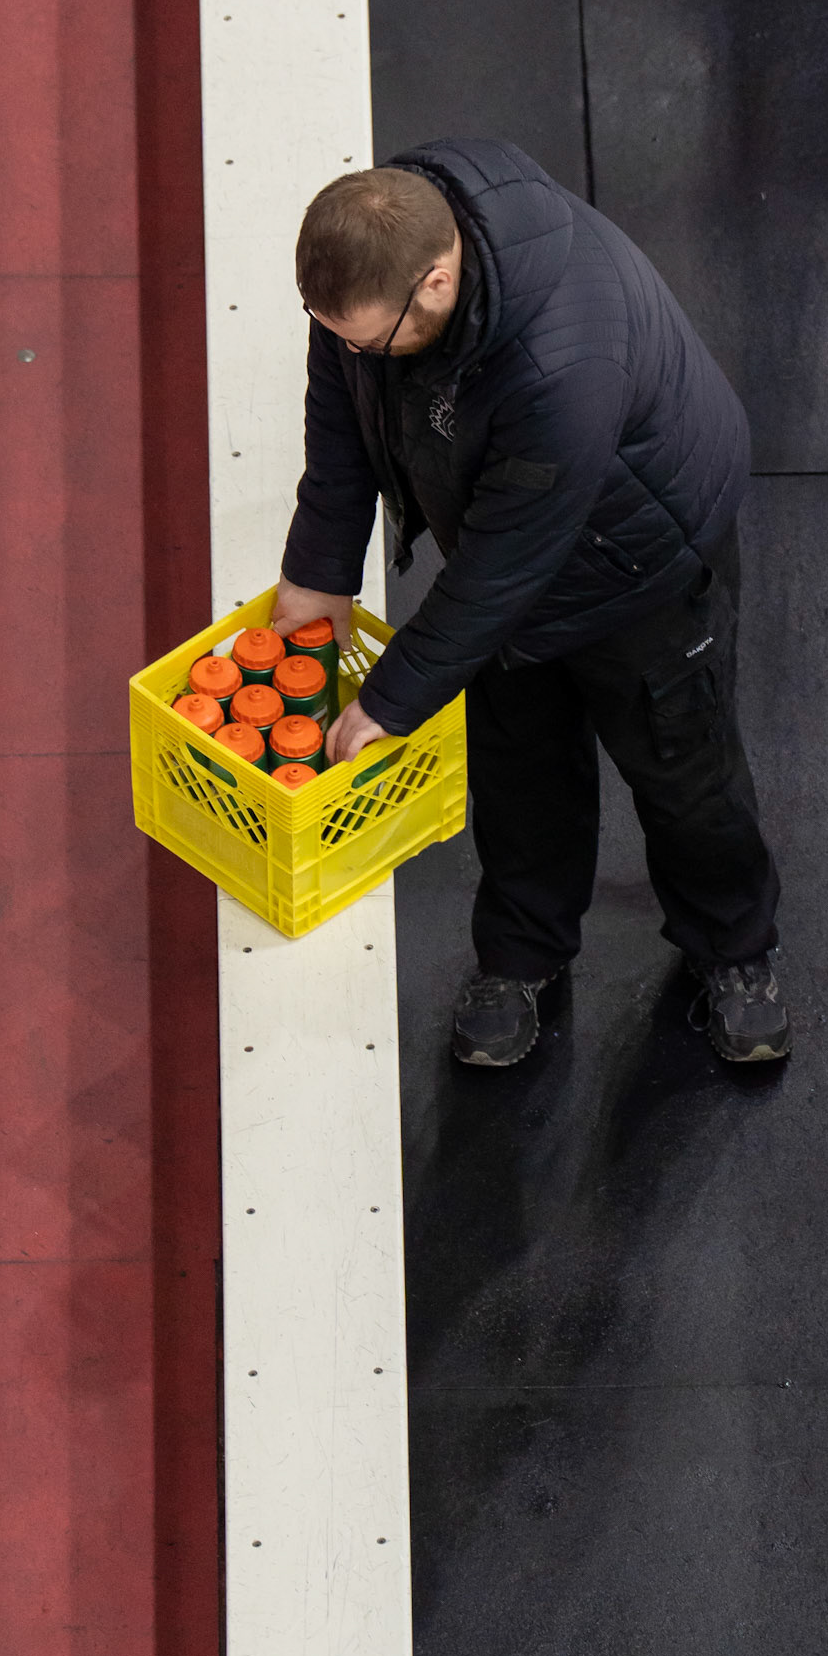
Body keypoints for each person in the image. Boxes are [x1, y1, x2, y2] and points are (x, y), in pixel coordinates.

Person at [273, 139, 786, 1067]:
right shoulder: (369, 265)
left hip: (642, 569)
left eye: (368, 340)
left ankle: (734, 949)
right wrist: (320, 568)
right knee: (517, 770)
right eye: (334, 332)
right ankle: (520, 956)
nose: (352, 350)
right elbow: (342, 415)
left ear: (436, 283)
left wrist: (392, 697)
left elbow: (505, 565)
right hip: (509, 539)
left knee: (684, 773)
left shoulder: (563, 364)